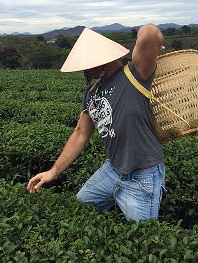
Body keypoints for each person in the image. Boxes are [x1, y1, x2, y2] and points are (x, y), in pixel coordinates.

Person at [27, 24, 165, 221]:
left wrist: (147, 47)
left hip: (142, 175)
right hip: (113, 169)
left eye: (87, 64)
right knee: (81, 206)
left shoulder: (136, 73)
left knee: (142, 238)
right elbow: (80, 134)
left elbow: (150, 33)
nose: (84, 69)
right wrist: (53, 171)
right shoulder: (92, 92)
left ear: (102, 61)